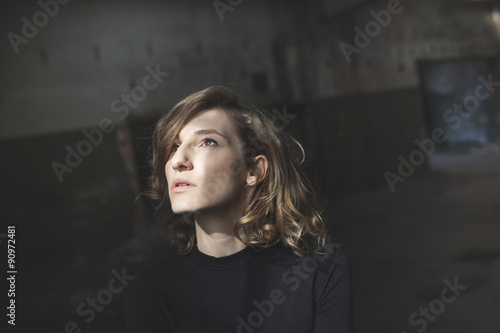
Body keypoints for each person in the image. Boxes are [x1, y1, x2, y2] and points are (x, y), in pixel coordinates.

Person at [124, 86, 353, 332]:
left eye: (207, 142)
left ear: (253, 171)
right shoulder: (151, 294)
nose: (178, 160)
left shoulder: (319, 271)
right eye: (173, 147)